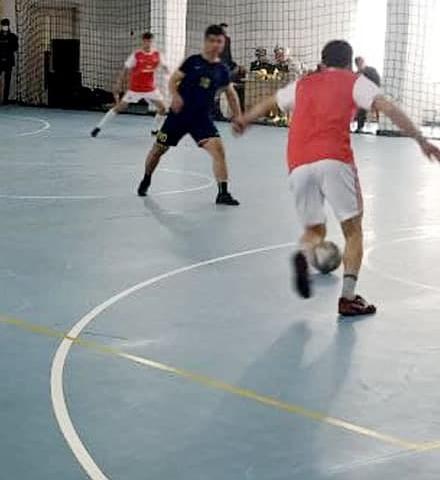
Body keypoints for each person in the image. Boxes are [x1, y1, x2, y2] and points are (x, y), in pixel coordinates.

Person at [233, 39, 440, 317]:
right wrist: (421, 139)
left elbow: (271, 101)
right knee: (353, 231)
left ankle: (304, 253)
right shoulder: (354, 81)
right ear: (348, 62)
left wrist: (245, 119)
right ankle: (348, 298)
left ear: (323, 60)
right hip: (334, 158)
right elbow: (388, 108)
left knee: (315, 230)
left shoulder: (304, 83)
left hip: (297, 162)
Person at [138, 24, 241, 205]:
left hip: (202, 119)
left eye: (219, 41)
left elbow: (231, 94)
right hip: (178, 116)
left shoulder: (222, 69)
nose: (215, 44)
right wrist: (176, 96)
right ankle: (146, 178)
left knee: (219, 150)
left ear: (223, 44)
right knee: (158, 150)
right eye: (212, 40)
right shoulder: (192, 62)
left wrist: (238, 116)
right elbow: (173, 80)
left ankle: (223, 193)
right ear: (205, 42)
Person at [91, 31, 166, 137]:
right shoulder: (136, 55)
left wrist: (171, 76)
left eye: (150, 41)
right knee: (120, 107)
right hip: (135, 89)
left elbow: (165, 67)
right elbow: (125, 69)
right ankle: (98, 127)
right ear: (143, 41)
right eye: (146, 41)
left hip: (150, 89)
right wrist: (118, 83)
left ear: (152, 42)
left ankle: (154, 130)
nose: (148, 43)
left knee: (163, 108)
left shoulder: (157, 55)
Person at [0, 18, 18, 104]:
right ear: (1, 26)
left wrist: (6, 48)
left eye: (6, 25)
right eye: (3, 25)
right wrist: (1, 47)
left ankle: (5, 99)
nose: (5, 27)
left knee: (7, 81)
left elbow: (15, 48)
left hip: (8, 61)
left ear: (8, 26)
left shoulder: (13, 36)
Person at [354, 56, 382, 132]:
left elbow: (377, 82)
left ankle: (381, 126)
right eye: (357, 64)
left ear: (363, 62)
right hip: (364, 95)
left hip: (374, 93)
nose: (359, 65)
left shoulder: (371, 70)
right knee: (361, 107)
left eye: (360, 63)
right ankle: (360, 127)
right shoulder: (357, 74)